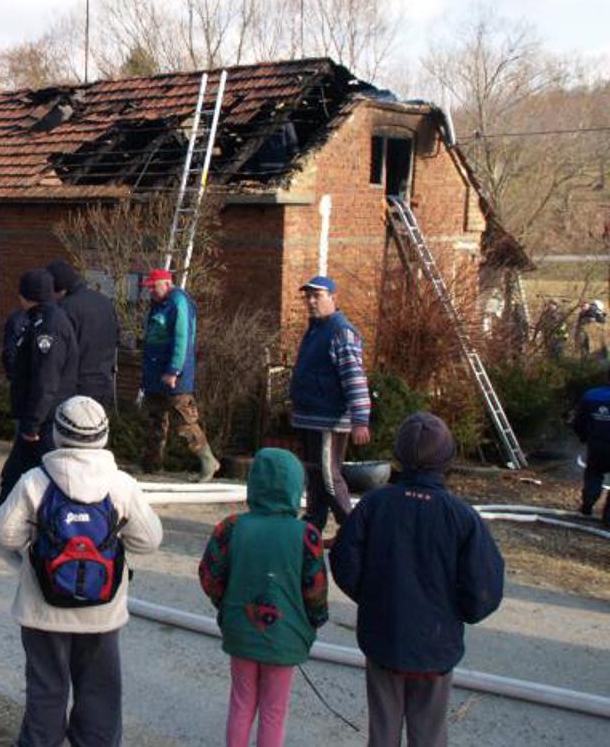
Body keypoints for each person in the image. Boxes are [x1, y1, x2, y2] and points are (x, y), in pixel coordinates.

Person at [0, 396, 163, 747]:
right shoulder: (121, 485)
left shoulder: (34, 481)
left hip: (43, 609)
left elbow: (3, 534)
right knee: (100, 692)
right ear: (103, 436)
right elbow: (149, 540)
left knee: (46, 690)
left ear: (57, 434)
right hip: (102, 612)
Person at [330, 413, 504, 747]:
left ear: (398, 455)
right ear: (447, 458)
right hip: (436, 645)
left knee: (382, 730)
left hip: (383, 636)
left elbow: (344, 561)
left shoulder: (374, 504)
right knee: (429, 733)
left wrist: (372, 598)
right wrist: (459, 612)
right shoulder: (462, 516)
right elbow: (484, 588)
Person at [198, 448, 329, 747]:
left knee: (241, 703)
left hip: (240, 630)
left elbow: (209, 576)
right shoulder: (307, 535)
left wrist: (227, 607)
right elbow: (316, 592)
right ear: (297, 487)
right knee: (274, 710)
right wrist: (314, 622)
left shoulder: (230, 527)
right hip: (286, 637)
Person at [0, 269, 77, 558]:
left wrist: (32, 423)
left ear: (28, 295)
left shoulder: (49, 325)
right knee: (13, 477)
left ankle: (76, 543)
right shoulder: (41, 320)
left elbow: (46, 381)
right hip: (37, 420)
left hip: (44, 423)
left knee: (60, 485)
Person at [289, 275, 371, 534]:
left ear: (333, 298)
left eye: (318, 296)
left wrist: (360, 419)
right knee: (314, 475)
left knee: (329, 476)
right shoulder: (314, 330)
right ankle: (313, 523)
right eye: (308, 296)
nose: (311, 301)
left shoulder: (341, 331)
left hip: (330, 418)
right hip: (310, 416)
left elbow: (354, 377)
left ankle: (351, 528)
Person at [139, 268, 220, 479]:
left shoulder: (178, 303)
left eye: (153, 287)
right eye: (149, 288)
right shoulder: (159, 304)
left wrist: (174, 370)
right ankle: (151, 466)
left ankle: (208, 461)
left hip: (173, 376)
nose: (151, 292)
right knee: (154, 419)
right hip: (154, 374)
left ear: (167, 283)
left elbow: (182, 339)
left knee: (184, 421)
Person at [47, 259, 119, 411]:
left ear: (60, 289)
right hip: (103, 383)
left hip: (76, 387)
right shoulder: (105, 302)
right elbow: (116, 338)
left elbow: (59, 352)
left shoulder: (65, 309)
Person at [573, 367, 610, 526]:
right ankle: (608, 518)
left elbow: (578, 422)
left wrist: (584, 437)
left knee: (594, 473)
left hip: (596, 444)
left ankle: (587, 504)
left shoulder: (591, 395)